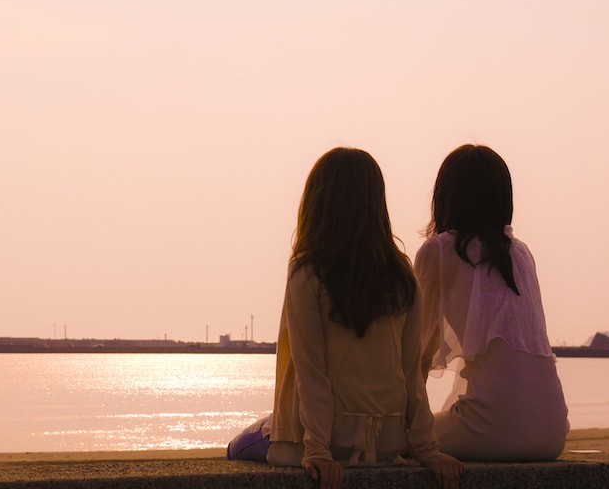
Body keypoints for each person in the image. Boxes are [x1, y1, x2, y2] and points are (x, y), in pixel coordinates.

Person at [228, 148, 462, 489]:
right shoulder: (402, 276)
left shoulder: (308, 271)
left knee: (238, 447)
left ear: (316, 203)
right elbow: (411, 372)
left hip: (324, 442)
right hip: (387, 442)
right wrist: (427, 449)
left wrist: (318, 450)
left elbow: (313, 373)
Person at [415, 144, 569, 461]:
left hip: (490, 428)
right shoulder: (521, 253)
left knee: (403, 439)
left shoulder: (440, 250)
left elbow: (417, 349)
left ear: (445, 196)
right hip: (553, 431)